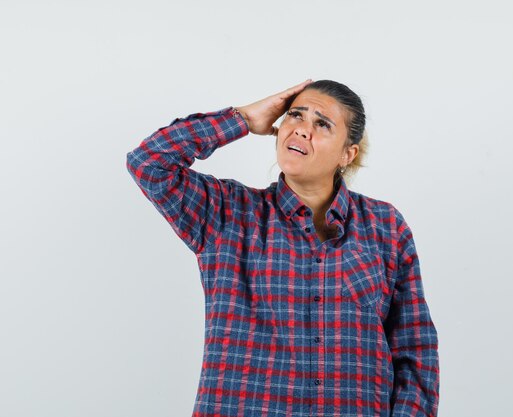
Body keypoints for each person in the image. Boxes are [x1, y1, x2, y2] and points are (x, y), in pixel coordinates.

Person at [126, 79, 440, 417]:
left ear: (348, 154)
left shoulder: (385, 227)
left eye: (322, 124)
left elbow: (415, 351)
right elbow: (149, 163)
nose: (303, 130)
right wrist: (243, 119)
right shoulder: (226, 212)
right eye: (295, 115)